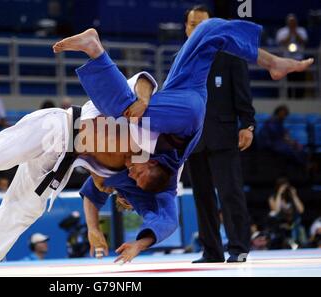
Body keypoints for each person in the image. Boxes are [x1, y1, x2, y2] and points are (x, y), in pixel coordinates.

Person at [54, 18, 311, 263]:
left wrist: (94, 222)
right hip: (185, 118)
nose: (131, 174)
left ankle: (273, 62)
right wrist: (140, 244)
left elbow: (92, 191)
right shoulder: (164, 187)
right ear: (152, 170)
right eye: (135, 182)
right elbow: (168, 221)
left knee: (209, 30)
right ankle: (95, 50)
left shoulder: (124, 176)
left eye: (124, 193)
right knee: (125, 109)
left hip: (180, 91)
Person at [0, 72, 169, 275]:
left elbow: (95, 179)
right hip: (56, 128)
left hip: (61, 161)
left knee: (28, 207)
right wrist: (143, 100)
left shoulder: (119, 171)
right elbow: (143, 80)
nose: (133, 178)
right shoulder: (140, 133)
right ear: (150, 168)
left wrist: (100, 211)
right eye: (134, 190)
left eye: (129, 197)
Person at [177, 5, 255, 264]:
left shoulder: (231, 55)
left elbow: (243, 94)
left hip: (223, 135)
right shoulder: (182, 59)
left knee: (230, 192)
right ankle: (212, 250)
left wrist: (247, 125)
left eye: (202, 24)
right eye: (192, 24)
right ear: (185, 27)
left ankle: (238, 247)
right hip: (194, 138)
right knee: (202, 197)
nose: (196, 28)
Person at [276, 14, 309, 98]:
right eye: (290, 22)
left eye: (293, 22)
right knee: (288, 82)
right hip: (287, 61)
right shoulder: (282, 31)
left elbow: (303, 41)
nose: (292, 23)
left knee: (300, 81)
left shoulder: (301, 30)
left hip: (299, 60)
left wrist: (295, 32)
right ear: (287, 22)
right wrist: (290, 33)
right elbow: (282, 42)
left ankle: (300, 98)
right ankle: (288, 97)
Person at [268, 177, 305, 248]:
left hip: (293, 224)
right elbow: (276, 211)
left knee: (298, 224)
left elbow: (301, 210)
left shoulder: (291, 197)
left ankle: (296, 244)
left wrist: (294, 195)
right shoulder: (272, 197)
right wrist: (279, 193)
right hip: (279, 224)